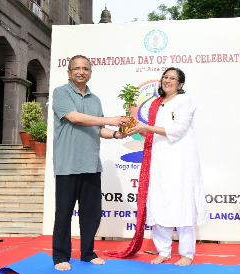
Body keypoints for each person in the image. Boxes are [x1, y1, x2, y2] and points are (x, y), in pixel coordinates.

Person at [106, 67, 208, 266]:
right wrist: (138, 129)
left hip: (180, 162)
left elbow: (177, 131)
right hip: (159, 160)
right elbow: (153, 133)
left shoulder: (184, 101)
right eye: (165, 77)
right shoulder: (156, 103)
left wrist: (146, 127)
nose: (167, 80)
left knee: (183, 205)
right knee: (159, 202)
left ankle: (187, 253)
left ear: (181, 84)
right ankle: (164, 250)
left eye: (173, 78)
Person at [51, 55, 130, 271]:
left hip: (91, 165)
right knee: (64, 213)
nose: (81, 72)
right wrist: (110, 119)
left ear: (90, 73)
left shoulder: (95, 99)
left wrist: (115, 134)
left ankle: (87, 253)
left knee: (91, 214)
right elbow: (76, 118)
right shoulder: (61, 93)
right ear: (69, 72)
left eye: (85, 68)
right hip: (68, 164)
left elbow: (98, 128)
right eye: (76, 68)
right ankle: (60, 256)